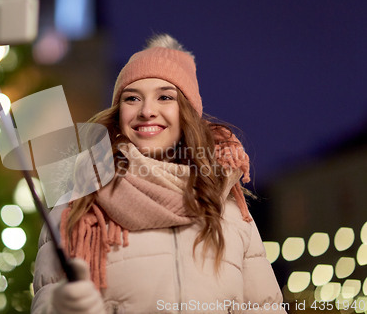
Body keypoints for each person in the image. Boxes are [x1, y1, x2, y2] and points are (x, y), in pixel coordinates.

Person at [31, 34, 287, 314]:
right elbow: (45, 300)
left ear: (186, 112)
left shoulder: (230, 211)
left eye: (165, 97)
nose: (147, 111)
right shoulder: (78, 206)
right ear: (119, 113)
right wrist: (58, 306)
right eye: (132, 98)